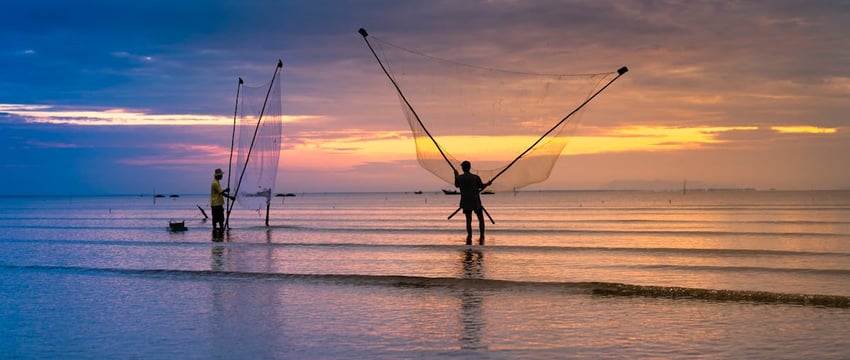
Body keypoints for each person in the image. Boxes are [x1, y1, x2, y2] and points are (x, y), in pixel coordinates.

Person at [454, 161, 492, 245]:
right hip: (476, 202)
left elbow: (456, 185)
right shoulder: (475, 177)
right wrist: (488, 184)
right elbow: (481, 186)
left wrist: (456, 175)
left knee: (468, 220)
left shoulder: (460, 178)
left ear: (463, 168)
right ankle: (482, 235)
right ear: (469, 167)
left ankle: (469, 235)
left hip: (466, 202)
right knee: (480, 219)